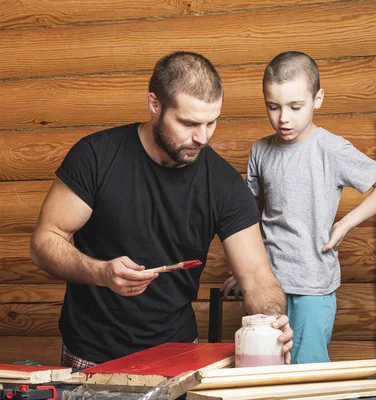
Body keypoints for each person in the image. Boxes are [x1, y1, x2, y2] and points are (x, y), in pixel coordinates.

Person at [30, 51, 294, 367]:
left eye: (212, 122)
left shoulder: (223, 183)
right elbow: (44, 242)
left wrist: (273, 319)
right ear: (155, 105)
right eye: (188, 123)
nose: (203, 137)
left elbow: (257, 277)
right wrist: (100, 272)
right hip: (91, 354)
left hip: (177, 354)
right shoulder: (96, 156)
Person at [222, 51, 376, 364]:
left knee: (307, 370)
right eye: (273, 106)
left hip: (312, 285)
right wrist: (244, 271)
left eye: (295, 106)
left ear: (317, 99)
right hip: (266, 284)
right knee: (266, 368)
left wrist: (344, 225)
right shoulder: (260, 151)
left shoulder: (331, 149)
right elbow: (252, 218)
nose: (283, 118)